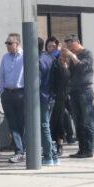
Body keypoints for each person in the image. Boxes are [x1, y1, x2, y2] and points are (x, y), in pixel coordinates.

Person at [61, 35, 94, 158]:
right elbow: (70, 74)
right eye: (68, 47)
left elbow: (82, 67)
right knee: (78, 121)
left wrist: (71, 55)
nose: (70, 49)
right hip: (74, 91)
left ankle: (89, 149)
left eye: (71, 46)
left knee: (87, 121)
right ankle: (81, 149)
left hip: (85, 90)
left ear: (78, 42)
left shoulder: (87, 53)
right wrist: (65, 64)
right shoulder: (73, 56)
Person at [0, 33, 27, 163]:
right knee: (12, 124)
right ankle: (19, 151)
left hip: (21, 93)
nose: (7, 46)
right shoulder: (5, 58)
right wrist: (2, 91)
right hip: (7, 94)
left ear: (17, 44)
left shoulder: (25, 56)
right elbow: (1, 76)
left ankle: (22, 150)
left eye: (10, 43)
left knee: (22, 123)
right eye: (6, 43)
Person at [37, 38, 60, 166]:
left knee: (44, 126)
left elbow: (37, 82)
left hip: (42, 97)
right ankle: (54, 155)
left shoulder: (38, 60)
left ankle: (48, 156)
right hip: (51, 96)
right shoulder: (49, 58)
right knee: (46, 126)